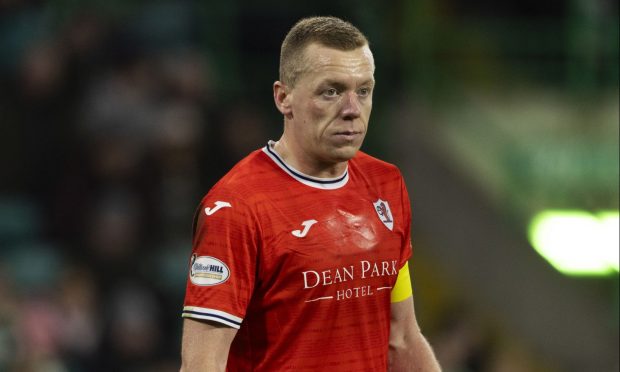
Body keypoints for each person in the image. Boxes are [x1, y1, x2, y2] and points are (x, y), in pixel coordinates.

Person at [180, 16, 441, 371]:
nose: (352, 110)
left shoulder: (386, 183)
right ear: (283, 98)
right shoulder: (236, 207)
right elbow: (202, 366)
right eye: (331, 91)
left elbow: (403, 337)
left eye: (363, 91)